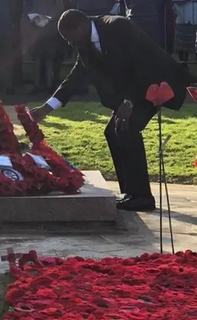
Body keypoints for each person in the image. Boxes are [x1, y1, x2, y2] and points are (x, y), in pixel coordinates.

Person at [30, 9, 195, 211]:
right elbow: (75, 77)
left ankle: (142, 197)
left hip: (153, 82)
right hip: (131, 90)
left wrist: (129, 102)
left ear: (81, 27)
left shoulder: (118, 27)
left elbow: (140, 66)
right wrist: (47, 108)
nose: (69, 44)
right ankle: (130, 192)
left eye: (70, 38)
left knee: (127, 128)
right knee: (112, 131)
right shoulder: (84, 43)